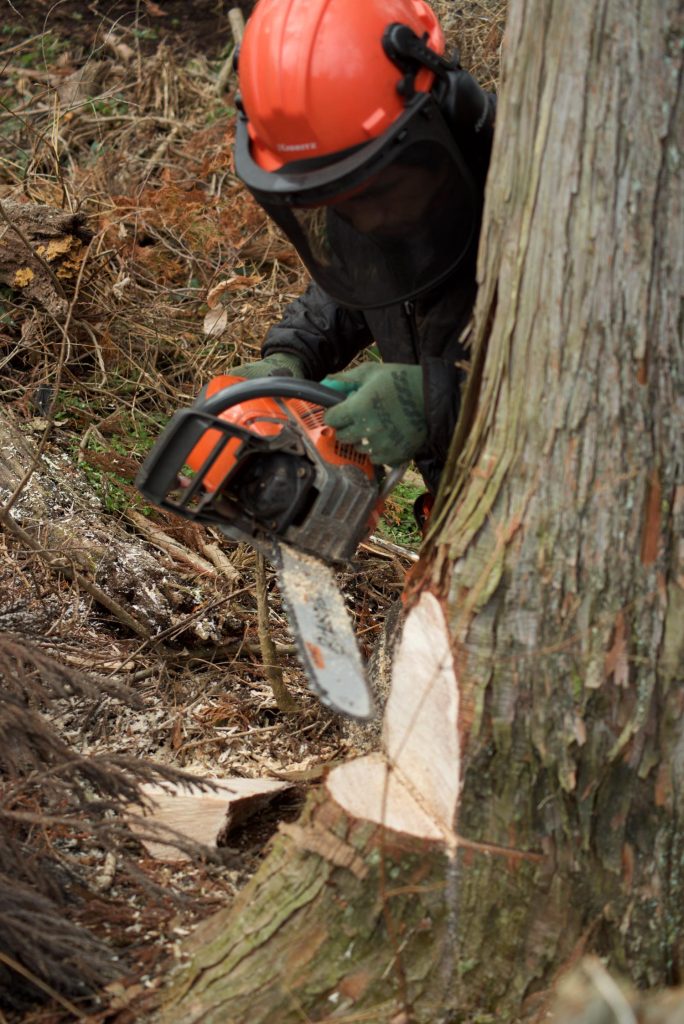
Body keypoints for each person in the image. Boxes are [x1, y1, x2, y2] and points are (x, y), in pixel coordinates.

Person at [229, 0, 495, 513]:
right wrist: (292, 356)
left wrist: (444, 400)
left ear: (448, 109)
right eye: (339, 205)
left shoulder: (548, 205)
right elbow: (359, 282)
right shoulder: (396, 204)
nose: (367, 222)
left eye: (379, 191)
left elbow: (600, 383)